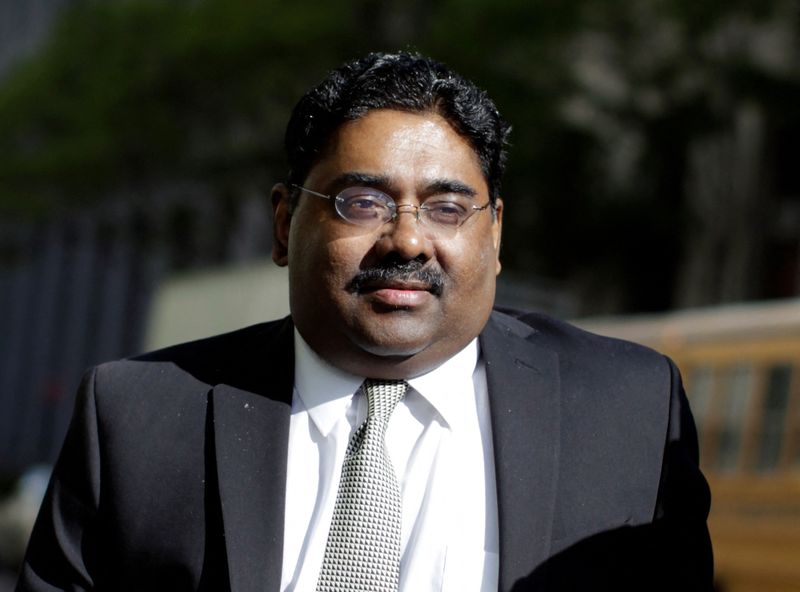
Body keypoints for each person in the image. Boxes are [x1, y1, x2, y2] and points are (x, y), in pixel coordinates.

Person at [17, 52, 712, 592]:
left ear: (496, 235)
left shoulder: (630, 415)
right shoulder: (137, 419)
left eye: (446, 208)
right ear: (287, 224)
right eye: (362, 203)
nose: (407, 241)